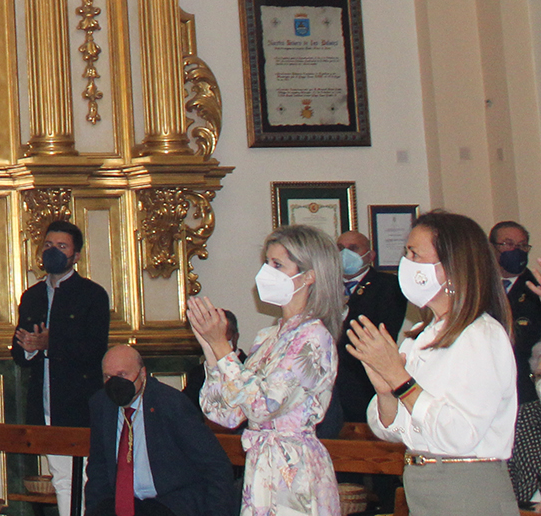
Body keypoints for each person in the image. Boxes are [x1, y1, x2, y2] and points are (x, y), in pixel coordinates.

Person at [350, 210, 518, 515]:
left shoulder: (480, 335)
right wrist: (387, 392)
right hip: (424, 481)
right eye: (406, 253)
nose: (406, 263)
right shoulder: (420, 337)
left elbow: (459, 434)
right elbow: (396, 430)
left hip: (466, 486)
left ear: (452, 268)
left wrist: (400, 379)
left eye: (415, 254)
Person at [191, 224, 342, 515]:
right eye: (266, 263)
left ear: (309, 276)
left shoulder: (313, 337)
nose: (267, 272)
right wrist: (211, 351)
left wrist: (223, 348)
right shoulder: (267, 337)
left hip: (294, 470)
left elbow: (263, 406)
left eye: (277, 265)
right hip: (261, 467)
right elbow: (226, 413)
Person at [12, 220, 110, 516]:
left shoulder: (92, 295)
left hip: (78, 402)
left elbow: (94, 350)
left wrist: (50, 344)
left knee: (80, 479)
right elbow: (19, 349)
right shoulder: (32, 295)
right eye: (48, 245)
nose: (53, 251)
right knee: (62, 478)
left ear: (76, 255)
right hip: (45, 403)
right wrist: (29, 348)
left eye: (62, 246)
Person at [85, 344, 237, 516]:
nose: (114, 383)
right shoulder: (102, 405)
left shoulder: (170, 404)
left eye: (122, 375)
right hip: (123, 502)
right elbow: (98, 467)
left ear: (142, 374)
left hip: (169, 500)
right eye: (107, 377)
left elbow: (214, 464)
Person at [490, 220, 541, 505]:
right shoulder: (479, 289)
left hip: (524, 397)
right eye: (508, 244)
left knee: (529, 479)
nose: (516, 250)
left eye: (522, 245)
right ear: (493, 248)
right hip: (487, 400)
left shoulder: (534, 288)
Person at [334, 229, 408, 426]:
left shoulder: (388, 285)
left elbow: (383, 331)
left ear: (371, 255)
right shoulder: (327, 288)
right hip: (331, 388)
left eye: (353, 248)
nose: (345, 253)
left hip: (364, 383)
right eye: (340, 248)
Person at [180, 308, 240, 408]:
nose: (215, 338)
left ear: (235, 337)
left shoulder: (249, 366)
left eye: (223, 333)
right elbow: (186, 405)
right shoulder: (198, 372)